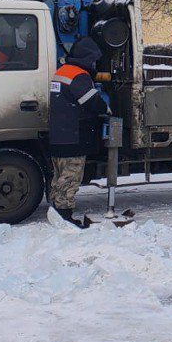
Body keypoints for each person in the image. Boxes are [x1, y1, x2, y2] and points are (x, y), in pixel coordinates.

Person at [48, 37, 109, 229]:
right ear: (86, 58)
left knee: (59, 178)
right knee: (71, 178)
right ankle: (65, 218)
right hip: (73, 137)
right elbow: (93, 103)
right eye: (93, 60)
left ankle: (56, 212)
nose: (94, 64)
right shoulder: (79, 76)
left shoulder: (61, 72)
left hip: (58, 136)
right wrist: (106, 109)